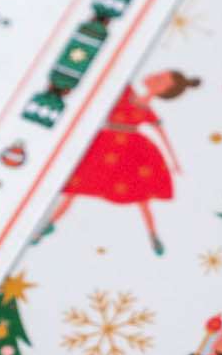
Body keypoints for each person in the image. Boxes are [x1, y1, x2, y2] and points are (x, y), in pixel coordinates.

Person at [37, 68, 198, 256]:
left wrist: (174, 161)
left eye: (161, 80)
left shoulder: (147, 110)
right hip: (104, 144)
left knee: (141, 196)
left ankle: (153, 235)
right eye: (159, 74)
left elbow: (162, 135)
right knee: (75, 187)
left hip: (129, 150)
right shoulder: (127, 92)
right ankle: (49, 223)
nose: (155, 76)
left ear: (163, 90)